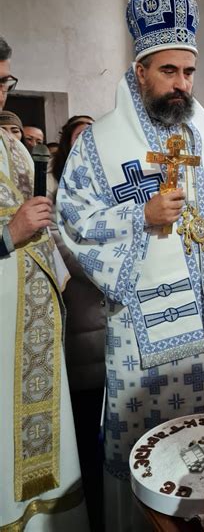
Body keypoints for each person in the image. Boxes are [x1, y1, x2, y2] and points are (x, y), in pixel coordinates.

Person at [56, 0, 204, 531]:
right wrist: (139, 217)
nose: (182, 85)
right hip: (146, 351)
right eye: (169, 71)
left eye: (190, 73)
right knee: (148, 474)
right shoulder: (99, 143)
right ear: (142, 68)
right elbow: (71, 221)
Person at [0, 35, 89, 530]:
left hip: (33, 320)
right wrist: (7, 234)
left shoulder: (13, 150)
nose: (2, 95)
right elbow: (14, 230)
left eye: (5, 82)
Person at [47, 114, 105, 531]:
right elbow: (66, 256)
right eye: (79, 137)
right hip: (83, 334)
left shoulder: (114, 189)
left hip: (121, 337)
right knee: (89, 438)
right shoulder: (51, 203)